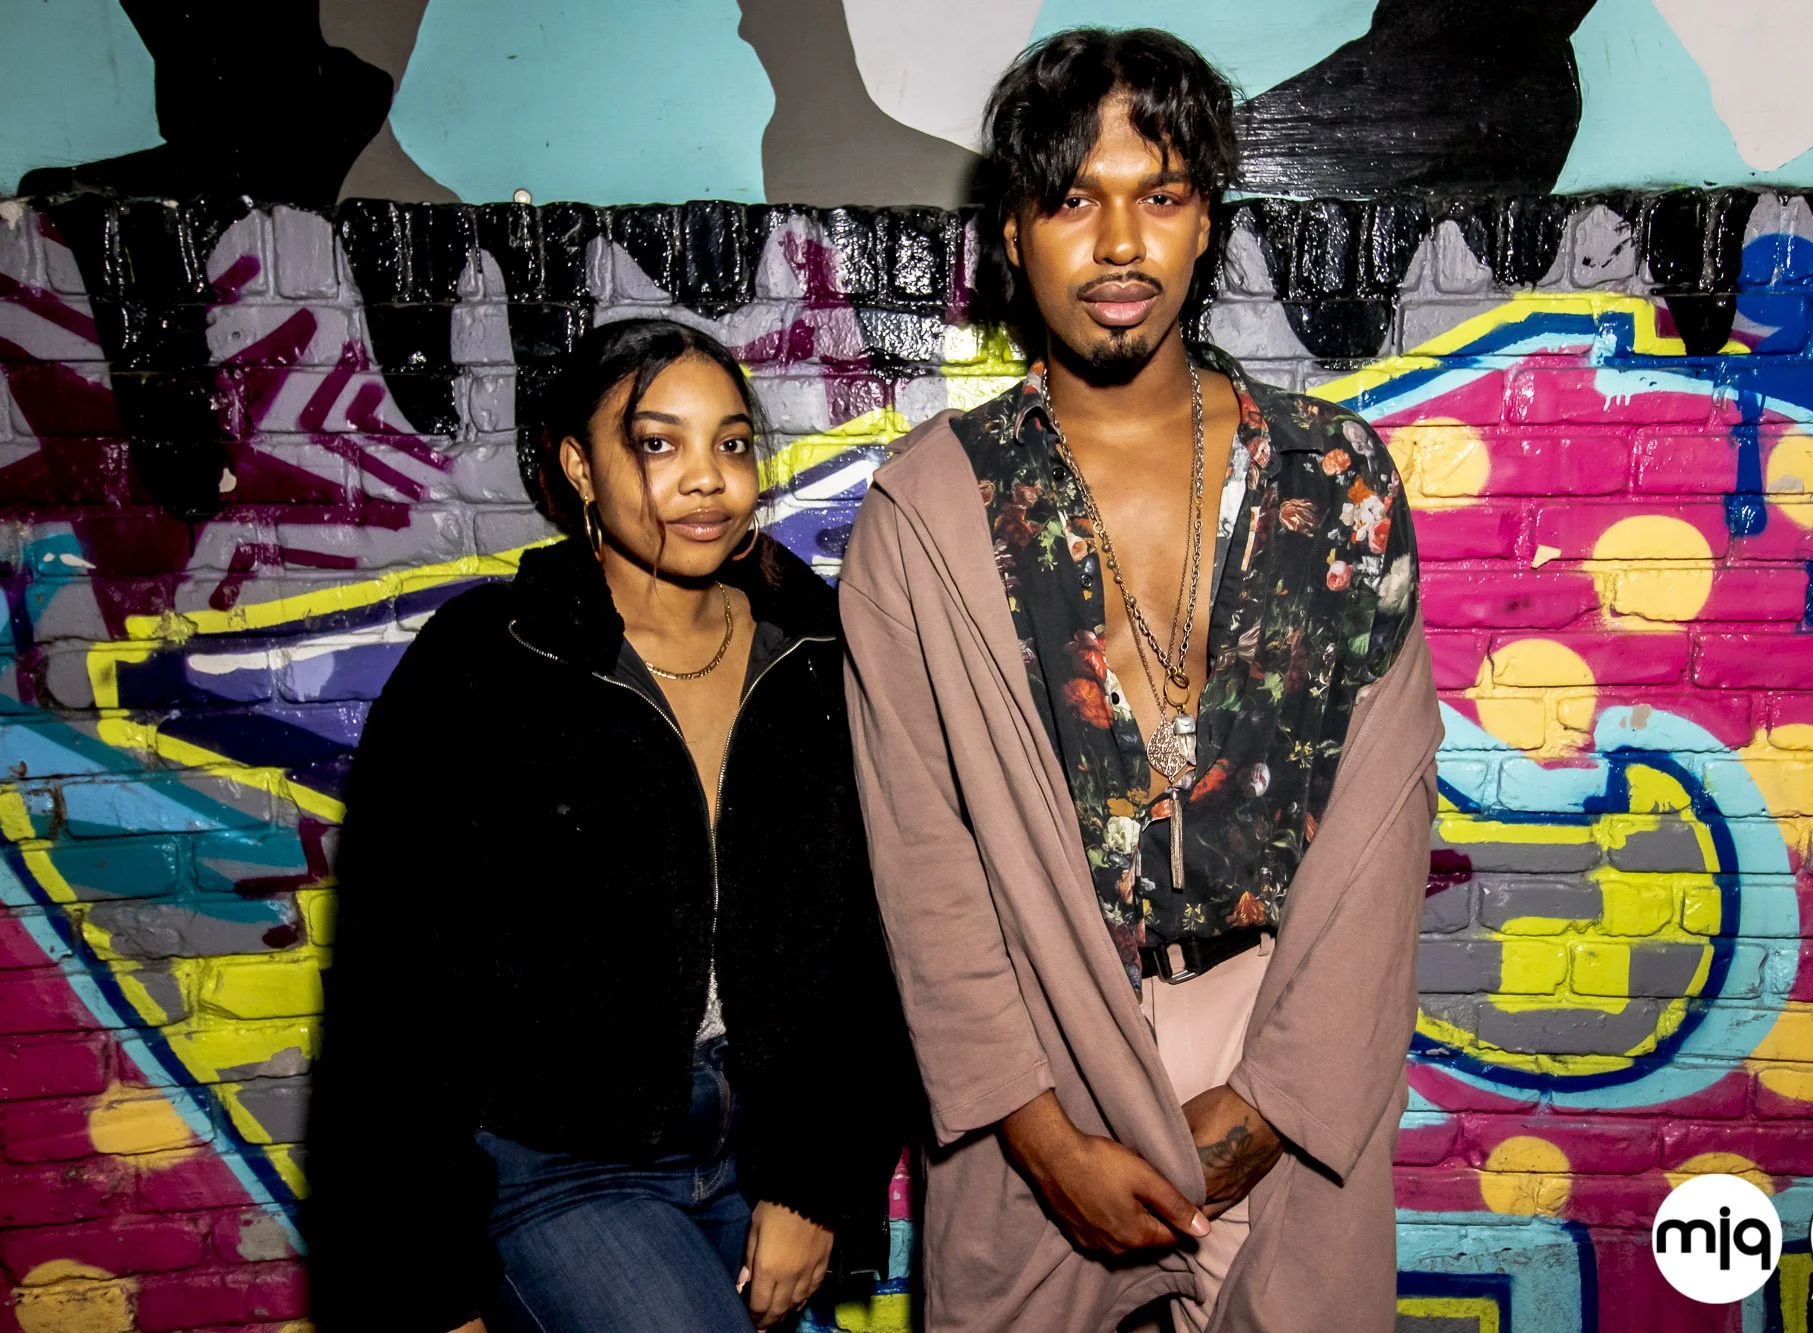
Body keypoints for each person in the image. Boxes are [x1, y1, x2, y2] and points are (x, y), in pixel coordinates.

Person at [840, 28, 1441, 1333]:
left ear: (1204, 220)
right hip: (1040, 1052)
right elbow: (923, 863)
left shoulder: (1335, 478)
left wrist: (1276, 1104)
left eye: (1157, 195)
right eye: (1072, 200)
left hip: (1278, 1026)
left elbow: (1382, 831)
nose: (1119, 244)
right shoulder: (928, 507)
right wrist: (1042, 1139)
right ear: (1012, 234)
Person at [306, 318, 913, 1333]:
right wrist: (424, 1283)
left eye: (730, 442)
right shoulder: (489, 661)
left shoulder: (811, 651)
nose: (707, 478)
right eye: (657, 442)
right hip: (560, 1165)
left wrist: (815, 1181)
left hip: (761, 1151)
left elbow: (869, 940)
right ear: (578, 466)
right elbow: (396, 985)